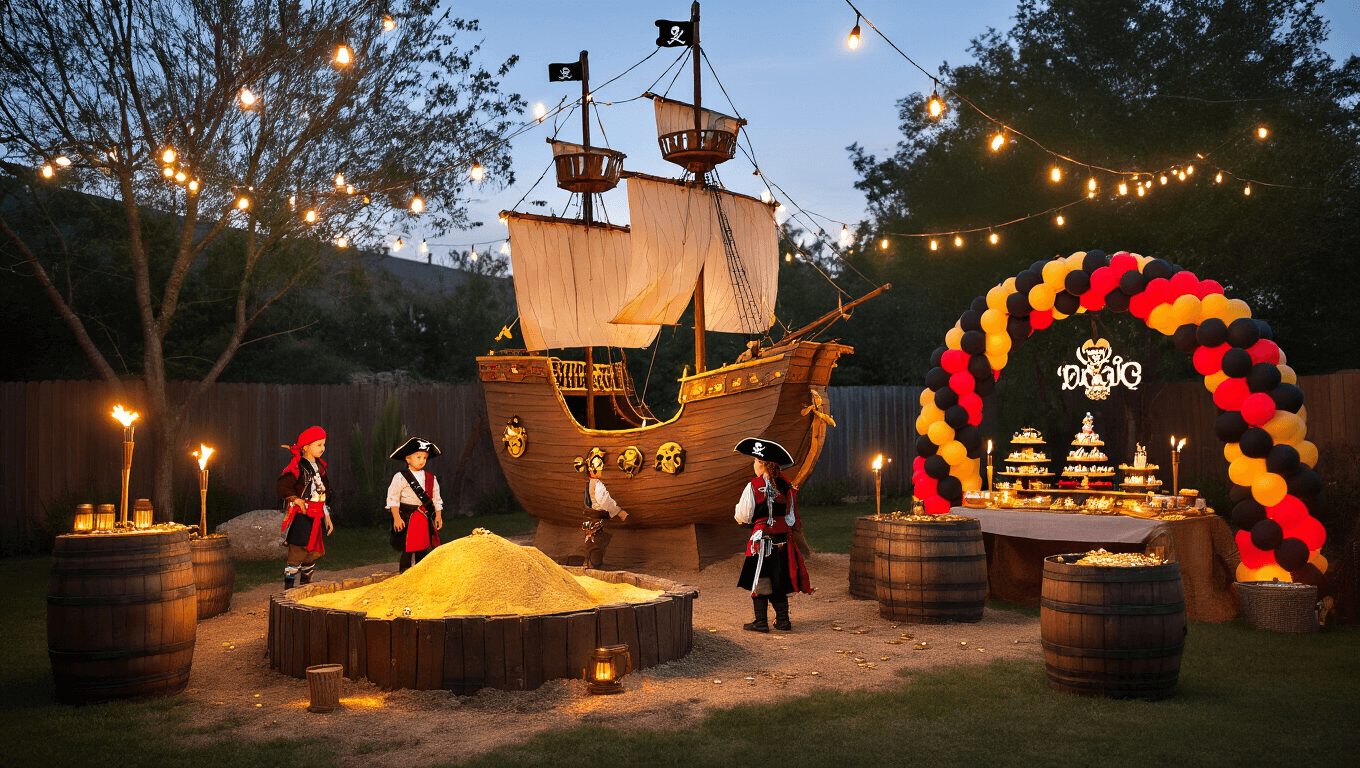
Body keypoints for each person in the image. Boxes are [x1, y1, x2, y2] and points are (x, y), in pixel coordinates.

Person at [733, 437, 813, 632]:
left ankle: (761, 622)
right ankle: (783, 621)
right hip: (782, 540)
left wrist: (750, 519)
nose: (753, 465)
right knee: (778, 578)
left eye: (755, 461)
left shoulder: (753, 485)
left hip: (761, 540)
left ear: (762, 464)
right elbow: (791, 519)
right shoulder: (787, 486)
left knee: (760, 578)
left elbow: (743, 515)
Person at [277, 426, 333, 589]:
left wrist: (327, 516)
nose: (323, 448)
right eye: (319, 445)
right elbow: (283, 485)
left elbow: (322, 494)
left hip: (318, 514)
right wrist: (295, 499)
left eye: (324, 445)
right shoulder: (298, 466)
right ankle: (288, 590)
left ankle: (305, 587)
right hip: (303, 516)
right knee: (297, 550)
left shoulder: (320, 467)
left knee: (311, 553)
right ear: (306, 447)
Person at [387, 437, 444, 573]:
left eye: (424, 457)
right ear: (408, 459)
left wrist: (438, 516)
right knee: (408, 547)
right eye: (418, 457)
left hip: (424, 518)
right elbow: (393, 498)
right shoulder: (400, 477)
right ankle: (405, 572)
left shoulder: (431, 478)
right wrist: (396, 517)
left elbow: (436, 499)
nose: (422, 461)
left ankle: (421, 572)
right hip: (408, 518)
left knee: (422, 546)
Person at [579, 451, 628, 568]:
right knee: (598, 537)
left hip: (592, 513)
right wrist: (619, 512)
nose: (599, 469)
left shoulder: (591, 482)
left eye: (600, 465)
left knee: (593, 535)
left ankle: (587, 559)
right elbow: (604, 500)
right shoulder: (596, 483)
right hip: (597, 514)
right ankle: (591, 561)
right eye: (597, 465)